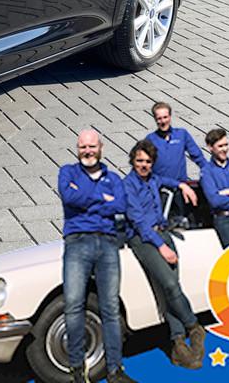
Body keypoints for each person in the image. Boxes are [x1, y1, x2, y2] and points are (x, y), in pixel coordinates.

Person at [58, 129, 137, 383]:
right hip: (77, 243)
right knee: (73, 305)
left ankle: (115, 371)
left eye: (92, 146)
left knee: (111, 308)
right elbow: (69, 197)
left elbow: (120, 205)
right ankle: (77, 371)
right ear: (77, 149)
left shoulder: (113, 178)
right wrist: (103, 200)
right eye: (83, 147)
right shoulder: (67, 172)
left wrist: (86, 200)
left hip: (107, 244)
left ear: (101, 147)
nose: (87, 151)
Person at [124, 139, 205, 369]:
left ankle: (177, 344)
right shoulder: (127, 186)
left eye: (148, 162)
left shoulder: (154, 179)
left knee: (171, 288)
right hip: (144, 239)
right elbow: (139, 223)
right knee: (169, 285)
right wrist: (162, 247)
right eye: (140, 161)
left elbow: (168, 181)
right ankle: (194, 326)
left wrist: (183, 186)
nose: (144, 165)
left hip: (163, 232)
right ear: (133, 161)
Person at [147, 103, 204, 221]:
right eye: (159, 118)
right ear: (155, 119)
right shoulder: (150, 140)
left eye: (165, 117)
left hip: (181, 189)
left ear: (170, 117)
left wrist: (211, 174)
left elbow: (198, 157)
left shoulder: (182, 134)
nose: (163, 121)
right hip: (160, 191)